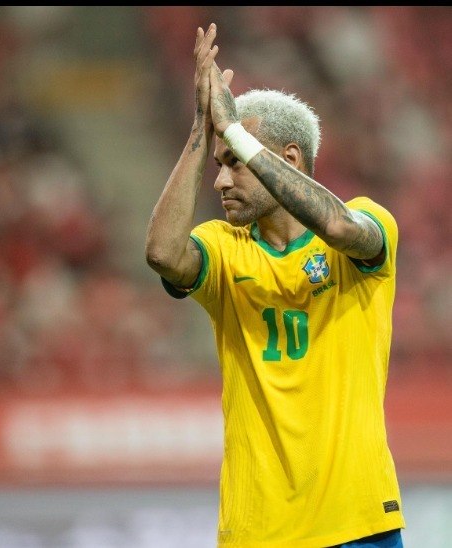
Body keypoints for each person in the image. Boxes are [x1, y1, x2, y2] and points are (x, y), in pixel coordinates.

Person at [145, 23, 405, 548]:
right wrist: (203, 123)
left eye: (233, 163)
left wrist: (235, 130)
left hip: (359, 520)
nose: (219, 181)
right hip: (258, 530)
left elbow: (336, 228)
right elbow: (162, 253)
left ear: (287, 160)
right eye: (220, 164)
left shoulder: (364, 224)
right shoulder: (223, 247)